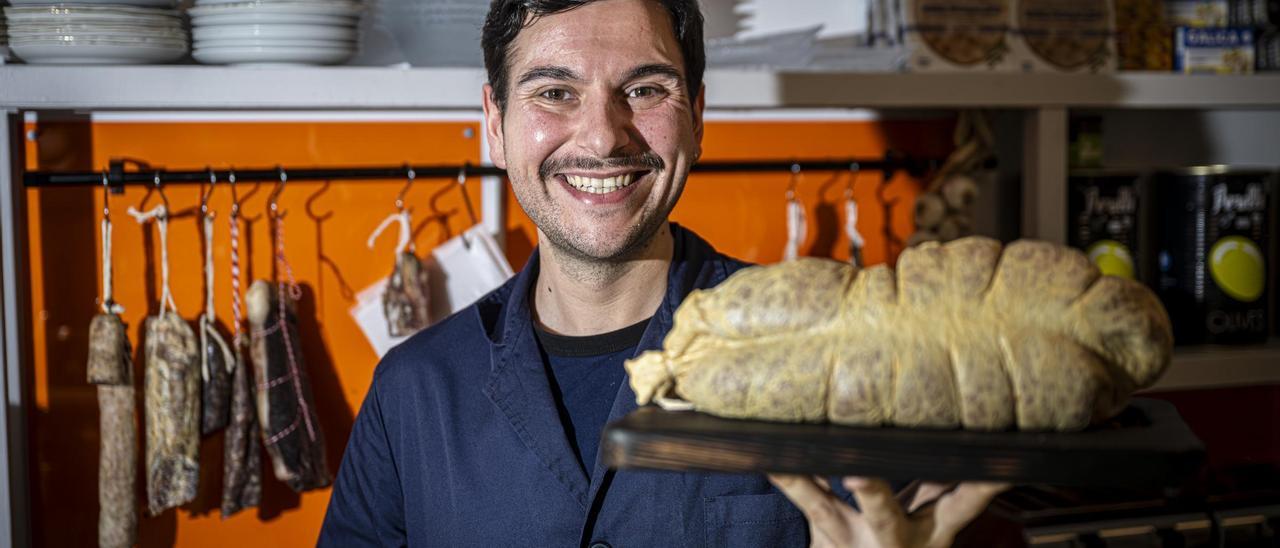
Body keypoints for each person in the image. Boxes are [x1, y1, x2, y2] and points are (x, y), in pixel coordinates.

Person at [318, 1, 1006, 546]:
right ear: (494, 124)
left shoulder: (831, 357)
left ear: (698, 117)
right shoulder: (412, 393)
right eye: (554, 91)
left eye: (645, 89)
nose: (602, 136)